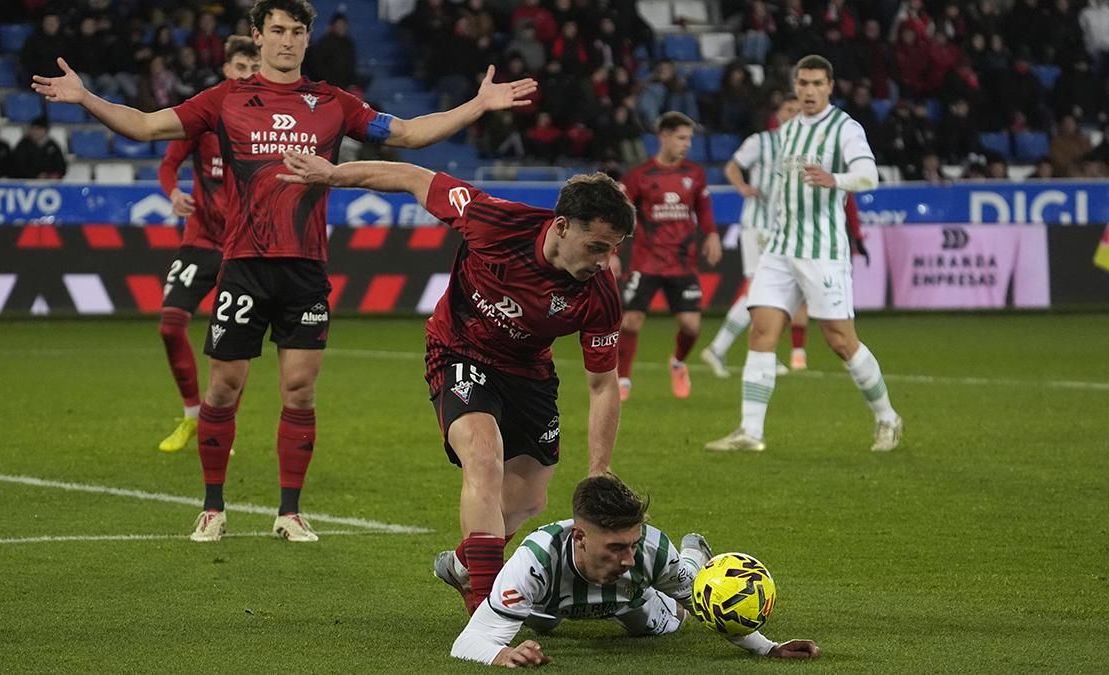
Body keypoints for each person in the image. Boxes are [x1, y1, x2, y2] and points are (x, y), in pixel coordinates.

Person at [30, 0, 538, 543]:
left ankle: (289, 512)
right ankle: (212, 506)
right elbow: (146, 126)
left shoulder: (332, 103)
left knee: (299, 390)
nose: (287, 40)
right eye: (277, 30)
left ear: (306, 39)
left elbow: (409, 134)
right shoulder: (224, 100)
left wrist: (477, 105)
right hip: (244, 265)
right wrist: (85, 97)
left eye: (297, 31)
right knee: (223, 389)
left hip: (306, 269)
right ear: (258, 36)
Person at [277, 151, 633, 613]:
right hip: (459, 350)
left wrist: (599, 465)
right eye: (597, 247)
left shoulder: (599, 295)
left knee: (528, 500)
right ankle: (486, 612)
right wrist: (333, 175)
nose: (605, 262)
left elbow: (604, 384)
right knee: (483, 456)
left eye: (613, 249)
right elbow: (411, 176)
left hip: (529, 372)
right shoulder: (493, 221)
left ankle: (466, 564)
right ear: (562, 226)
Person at [704, 55, 902, 453]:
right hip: (779, 249)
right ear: (795, 87)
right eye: (803, 83)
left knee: (841, 340)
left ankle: (887, 418)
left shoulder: (845, 128)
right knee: (761, 330)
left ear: (830, 86)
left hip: (822, 251)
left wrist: (835, 179)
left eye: (816, 84)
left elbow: (868, 175)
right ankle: (751, 432)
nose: (809, 91)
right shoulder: (787, 133)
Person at [445, 474, 821, 667]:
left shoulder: (651, 551)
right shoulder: (534, 563)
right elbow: (468, 641)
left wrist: (768, 647)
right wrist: (500, 655)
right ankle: (459, 568)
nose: (628, 558)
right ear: (579, 537)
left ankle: (693, 554)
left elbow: (709, 602)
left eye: (632, 544)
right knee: (540, 621)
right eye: (615, 547)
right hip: (550, 603)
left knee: (667, 620)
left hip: (630, 602)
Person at [154, 36, 261, 454]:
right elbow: (167, 164)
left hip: (242, 247)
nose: (246, 75)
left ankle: (223, 425)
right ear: (226, 70)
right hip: (199, 241)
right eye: (239, 67)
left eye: (253, 69)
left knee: (234, 343)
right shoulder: (204, 116)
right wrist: (173, 193)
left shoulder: (266, 124)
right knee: (169, 325)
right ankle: (191, 416)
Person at [614, 111, 721, 402]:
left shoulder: (695, 174)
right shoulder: (639, 176)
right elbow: (621, 217)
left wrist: (711, 235)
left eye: (689, 139)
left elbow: (704, 210)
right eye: (681, 138)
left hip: (682, 262)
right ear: (664, 137)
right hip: (646, 260)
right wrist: (613, 252)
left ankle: (677, 362)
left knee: (691, 325)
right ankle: (623, 380)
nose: (687, 144)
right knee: (631, 321)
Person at [700, 97, 802, 378]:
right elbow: (732, 167)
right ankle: (726, 349)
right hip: (757, 227)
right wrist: (742, 187)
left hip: (783, 229)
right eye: (789, 110)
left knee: (777, 293)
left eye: (798, 110)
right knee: (759, 292)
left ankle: (755, 351)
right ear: (778, 114)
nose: (794, 114)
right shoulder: (762, 142)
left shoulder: (803, 148)